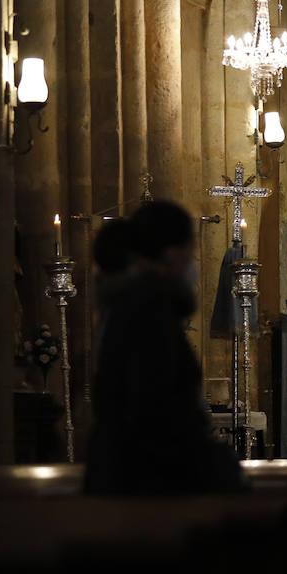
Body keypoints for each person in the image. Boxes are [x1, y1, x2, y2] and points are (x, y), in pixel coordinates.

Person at [85, 200, 245, 496]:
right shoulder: (147, 312)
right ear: (173, 253)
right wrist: (216, 466)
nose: (192, 263)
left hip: (125, 477)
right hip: (149, 489)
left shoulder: (132, 305)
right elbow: (154, 413)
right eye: (190, 252)